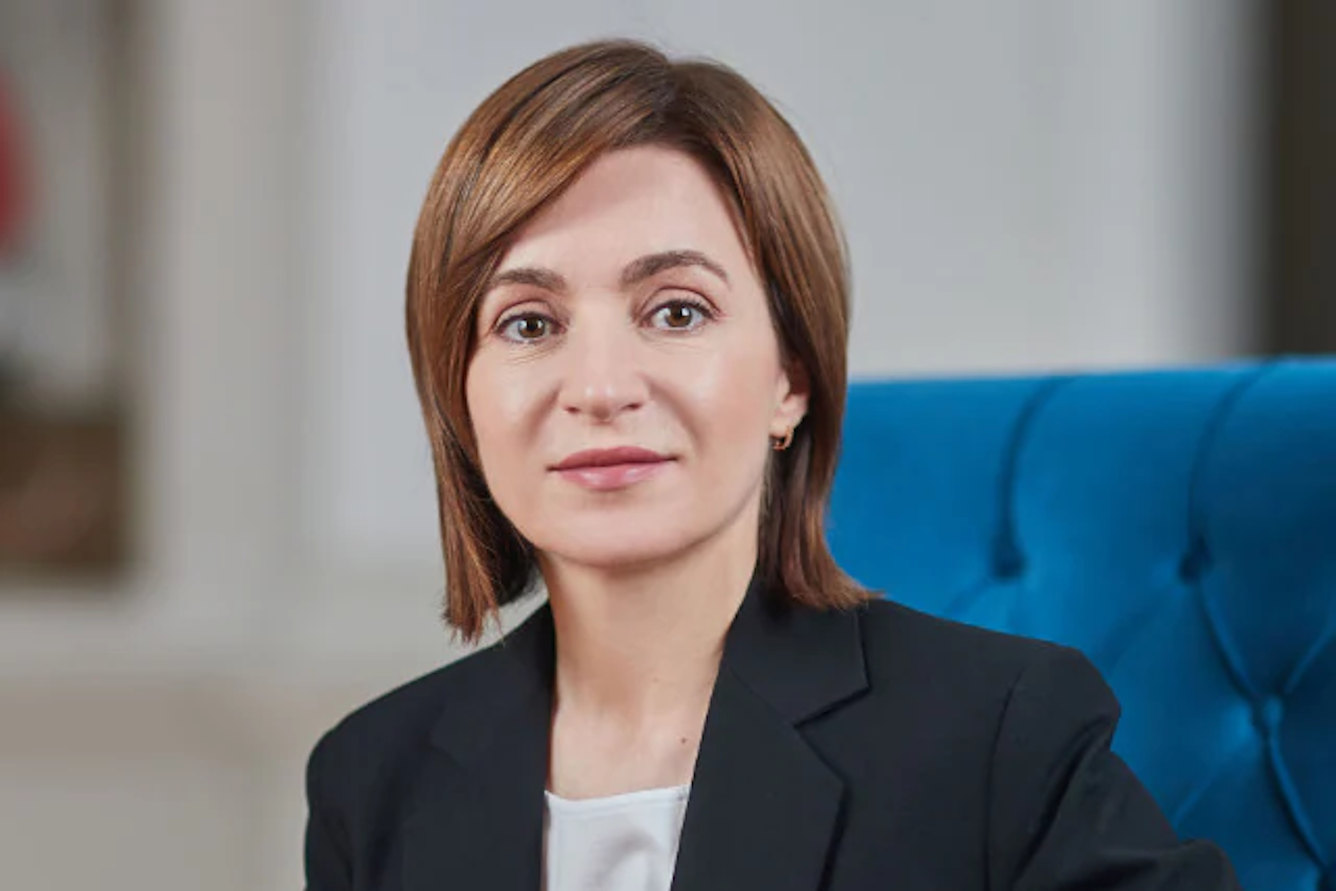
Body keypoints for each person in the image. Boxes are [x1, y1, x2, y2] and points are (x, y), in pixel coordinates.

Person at [303, 38, 1243, 891]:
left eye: (676, 311)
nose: (598, 386)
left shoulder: (1002, 729)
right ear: (461, 396)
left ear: (791, 377)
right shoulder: (372, 778)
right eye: (528, 324)